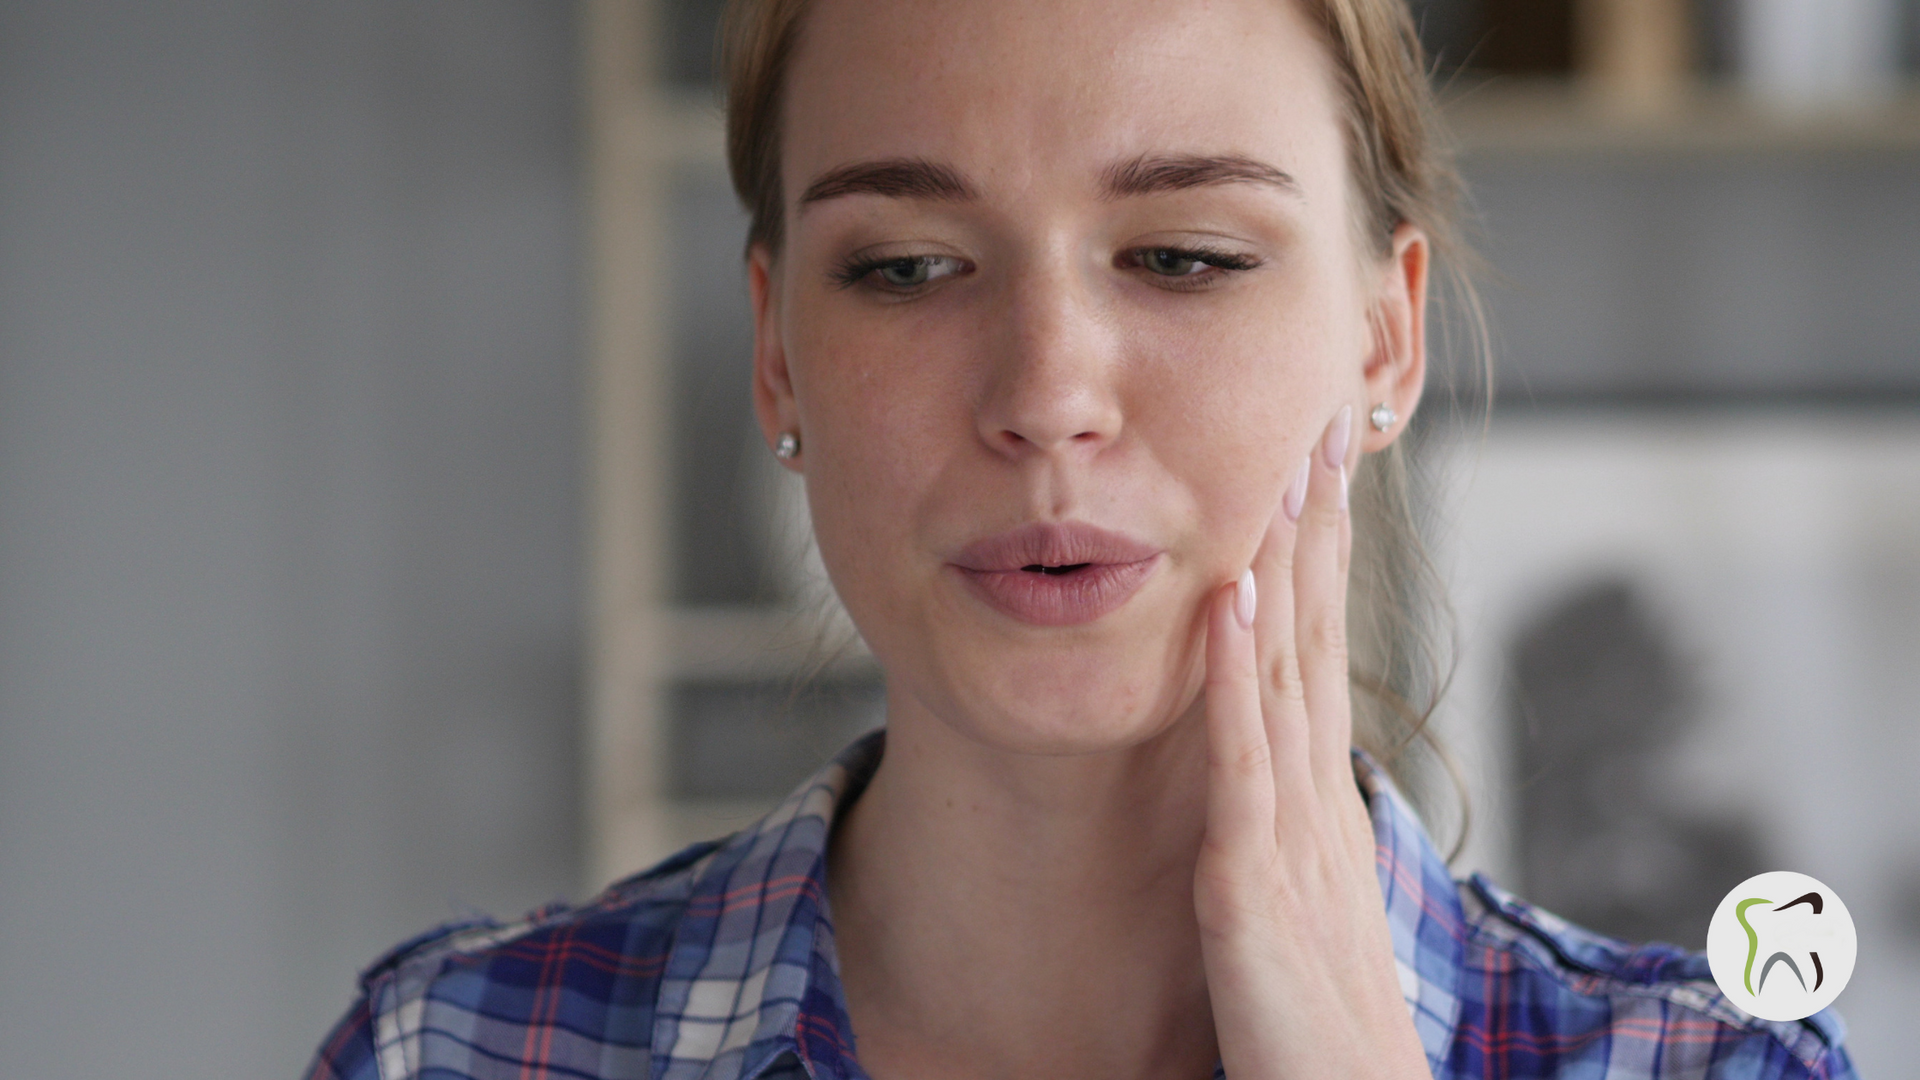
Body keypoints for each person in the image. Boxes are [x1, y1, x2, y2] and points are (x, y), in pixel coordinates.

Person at [305, 0, 1861, 1077]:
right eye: (908, 268)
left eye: (1183, 256)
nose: (1047, 396)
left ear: (1388, 342)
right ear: (779, 355)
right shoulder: (454, 1050)